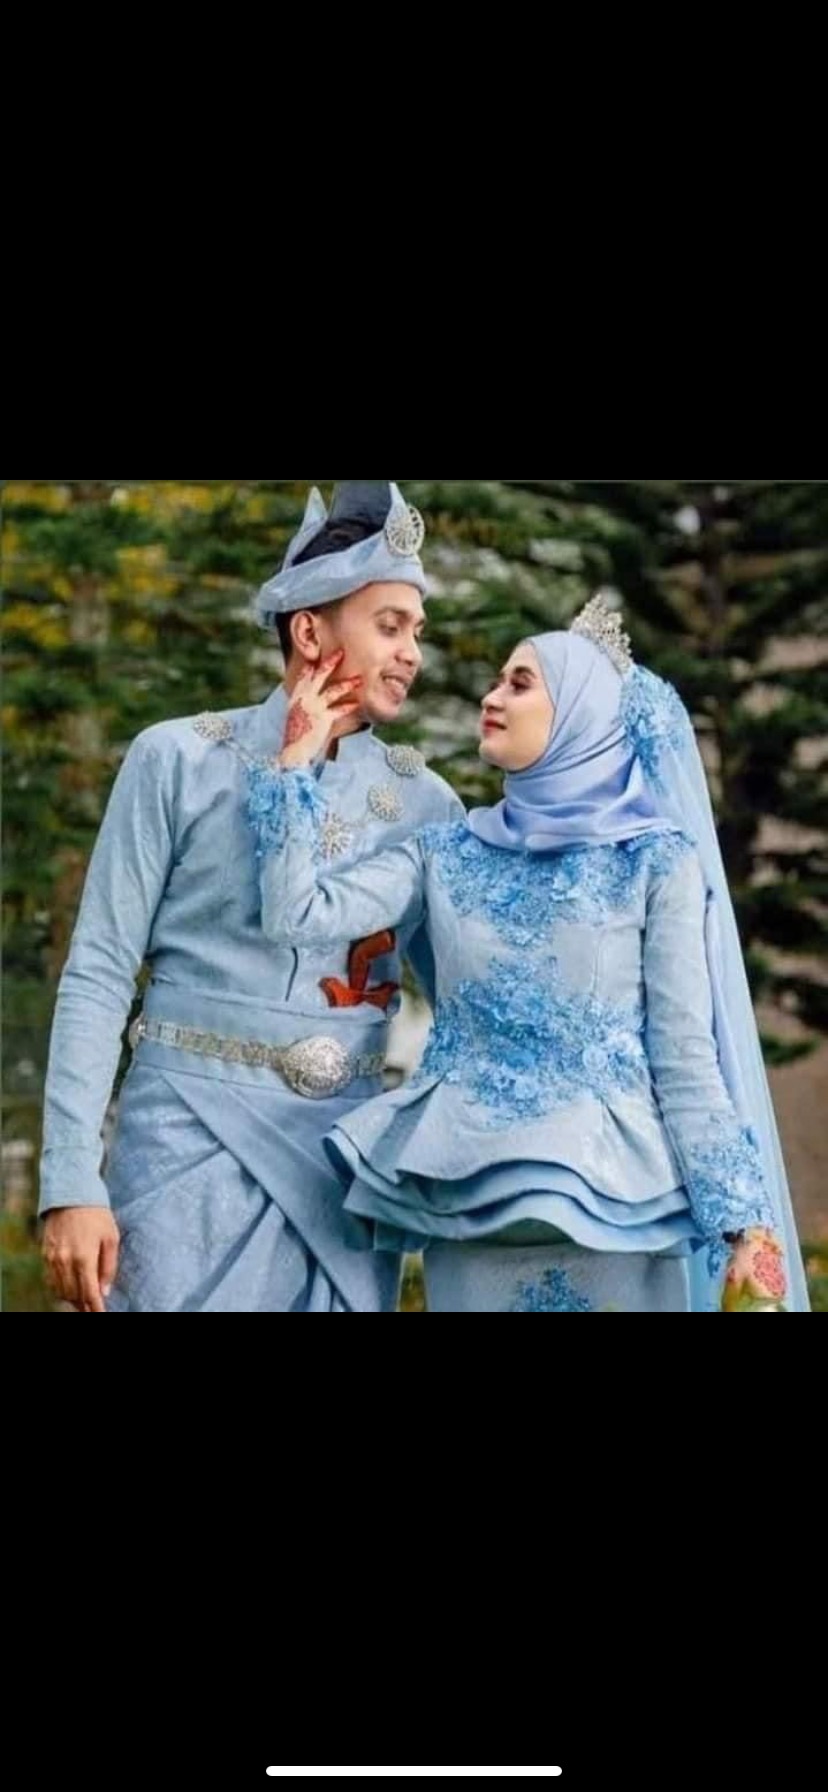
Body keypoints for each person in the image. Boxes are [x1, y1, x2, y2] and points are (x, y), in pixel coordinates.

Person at [251, 598, 808, 1313]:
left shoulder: (653, 863)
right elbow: (296, 913)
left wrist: (746, 1222)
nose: (491, 697)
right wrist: (294, 765)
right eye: (495, 681)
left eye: (519, 683)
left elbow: (684, 1057)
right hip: (466, 1193)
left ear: (581, 714)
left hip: (618, 1205)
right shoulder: (442, 854)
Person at [39, 480, 463, 1312]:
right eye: (390, 626)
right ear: (309, 630)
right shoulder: (176, 760)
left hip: (342, 1178)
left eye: (417, 630)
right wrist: (70, 1178)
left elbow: (470, 1005)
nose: (413, 652)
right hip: (180, 1156)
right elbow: (98, 972)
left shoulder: (428, 805)